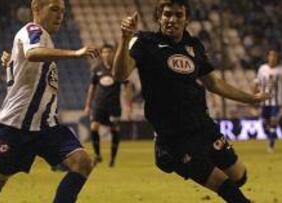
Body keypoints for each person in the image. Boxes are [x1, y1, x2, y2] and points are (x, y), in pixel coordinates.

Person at [113, 0, 270, 202]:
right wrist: (124, 39)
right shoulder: (144, 42)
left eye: (178, 15)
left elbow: (213, 83)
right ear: (158, 17)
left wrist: (250, 99)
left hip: (203, 125)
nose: (172, 19)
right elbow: (120, 74)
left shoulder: (194, 46)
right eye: (167, 14)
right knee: (226, 187)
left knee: (239, 176)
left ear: (187, 19)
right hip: (174, 136)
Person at [0, 0, 99, 202]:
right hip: (16, 128)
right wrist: (75, 52)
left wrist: (11, 62)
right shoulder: (33, 30)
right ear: (36, 8)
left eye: (62, 11)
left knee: (83, 162)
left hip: (46, 127)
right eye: (54, 9)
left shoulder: (45, 40)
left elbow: (22, 70)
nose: (60, 15)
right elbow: (32, 53)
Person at [84, 44, 130, 167]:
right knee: (94, 127)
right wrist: (88, 104)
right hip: (99, 104)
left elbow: (126, 86)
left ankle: (112, 159)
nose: (107, 54)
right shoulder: (97, 68)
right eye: (104, 52)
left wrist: (128, 104)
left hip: (114, 106)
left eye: (109, 52)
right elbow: (92, 87)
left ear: (113, 53)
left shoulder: (119, 69)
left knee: (114, 130)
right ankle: (97, 155)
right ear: (102, 54)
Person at [254, 49, 282, 152]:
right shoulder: (262, 69)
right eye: (271, 55)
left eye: (275, 56)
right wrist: (254, 96)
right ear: (268, 57)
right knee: (264, 123)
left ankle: (271, 144)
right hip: (264, 101)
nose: (272, 57)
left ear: (277, 58)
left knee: (273, 121)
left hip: (277, 101)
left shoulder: (281, 70)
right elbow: (257, 82)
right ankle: (270, 135)